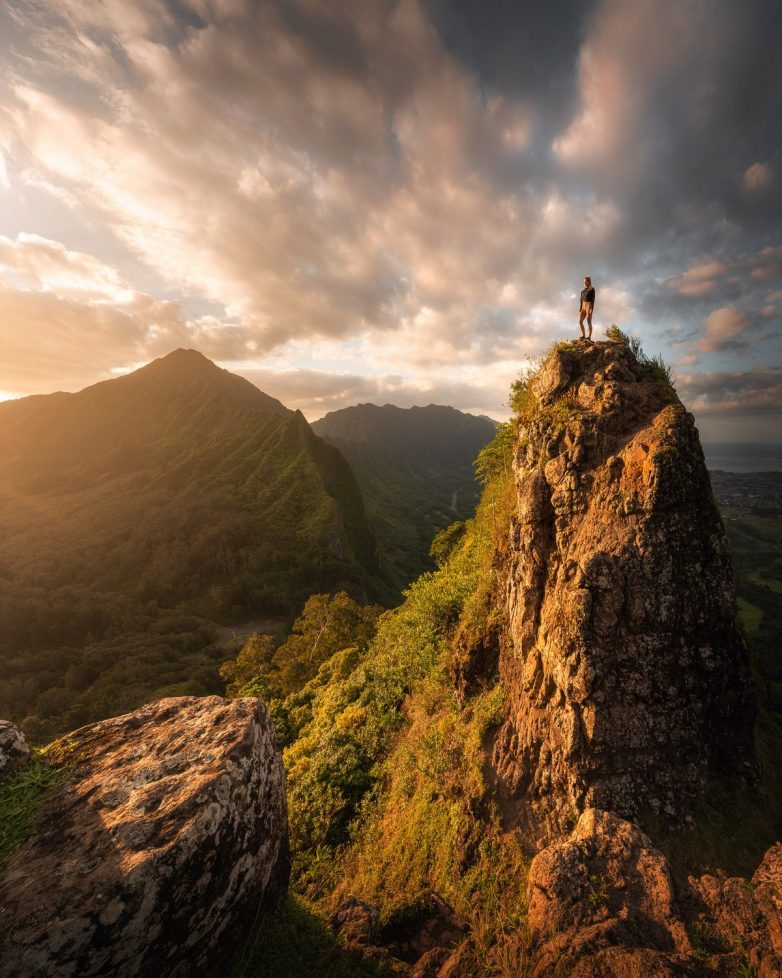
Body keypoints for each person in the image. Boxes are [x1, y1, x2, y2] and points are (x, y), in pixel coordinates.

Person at [578, 276, 595, 340]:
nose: (585, 283)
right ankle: (583, 335)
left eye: (586, 282)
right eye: (584, 282)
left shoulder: (592, 289)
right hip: (583, 306)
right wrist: (580, 309)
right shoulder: (582, 291)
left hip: (589, 305)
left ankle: (589, 337)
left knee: (589, 321)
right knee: (580, 321)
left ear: (589, 281)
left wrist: (591, 308)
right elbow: (581, 300)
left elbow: (593, 299)